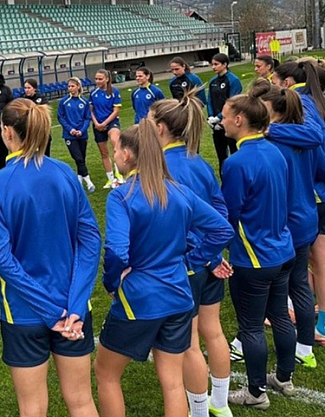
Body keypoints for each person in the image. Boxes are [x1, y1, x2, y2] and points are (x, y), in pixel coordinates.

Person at [94, 120, 232, 417]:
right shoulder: (178, 190)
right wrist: (191, 260)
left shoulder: (122, 195)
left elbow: (117, 251)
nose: (115, 155)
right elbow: (222, 229)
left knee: (106, 373)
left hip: (140, 299)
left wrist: (112, 282)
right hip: (179, 295)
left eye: (117, 149)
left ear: (127, 155)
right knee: (171, 382)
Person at [0, 98, 101, 417]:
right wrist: (74, 307)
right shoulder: (64, 173)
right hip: (72, 310)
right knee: (81, 401)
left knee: (33, 408)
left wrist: (54, 313)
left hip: (25, 312)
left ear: (7, 132)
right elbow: (90, 241)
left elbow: (4, 260)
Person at [148, 95, 233, 417]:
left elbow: (176, 224)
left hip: (188, 265)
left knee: (189, 343)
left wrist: (201, 256)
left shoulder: (162, 167)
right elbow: (219, 212)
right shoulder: (199, 161)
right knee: (213, 331)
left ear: (160, 128)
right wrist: (213, 253)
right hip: (207, 259)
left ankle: (199, 411)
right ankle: (220, 404)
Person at [218, 95, 296, 410]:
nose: (221, 120)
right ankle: (284, 377)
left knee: (250, 325)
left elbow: (228, 214)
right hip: (282, 250)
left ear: (239, 120)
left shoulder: (236, 162)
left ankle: (255, 392)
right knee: (278, 314)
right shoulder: (276, 151)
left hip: (254, 257)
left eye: (225, 115)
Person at [250, 82, 325, 369]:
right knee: (298, 283)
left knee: (274, 287)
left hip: (281, 222)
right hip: (306, 218)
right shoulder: (305, 140)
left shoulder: (270, 143)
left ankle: (252, 341)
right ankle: (305, 347)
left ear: (272, 111)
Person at [270, 60, 325, 349]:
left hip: (320, 192)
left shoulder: (303, 103)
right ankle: (321, 317)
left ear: (286, 83)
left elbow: (312, 138)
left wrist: (266, 131)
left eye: (274, 80)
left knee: (320, 258)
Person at [206, 53, 242, 175]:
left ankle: (237, 175)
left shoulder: (233, 80)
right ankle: (224, 177)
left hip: (229, 122)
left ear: (225, 64)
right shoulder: (212, 81)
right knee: (221, 154)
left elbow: (233, 102)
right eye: (212, 64)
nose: (213, 67)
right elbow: (209, 100)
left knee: (234, 151)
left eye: (216, 64)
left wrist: (219, 117)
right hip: (216, 124)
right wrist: (211, 117)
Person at [57, 77, 95, 193]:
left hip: (82, 135)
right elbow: (61, 117)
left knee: (81, 159)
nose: (70, 88)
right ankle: (89, 182)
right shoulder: (64, 102)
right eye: (69, 86)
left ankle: (78, 182)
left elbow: (87, 118)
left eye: (72, 86)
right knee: (78, 158)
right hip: (69, 136)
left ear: (78, 86)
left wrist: (81, 130)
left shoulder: (84, 102)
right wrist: (71, 130)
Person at [90, 69, 123, 189]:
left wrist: (104, 123)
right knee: (104, 153)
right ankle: (110, 179)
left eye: (100, 79)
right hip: (98, 124)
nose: (97, 81)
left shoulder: (114, 92)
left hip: (111, 122)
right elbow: (91, 110)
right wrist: (96, 123)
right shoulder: (93, 93)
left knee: (116, 144)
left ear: (107, 79)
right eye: (96, 79)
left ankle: (119, 175)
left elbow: (116, 111)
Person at [22, 78, 52, 156]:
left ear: (34, 88)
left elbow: (45, 112)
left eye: (29, 88)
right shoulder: (22, 99)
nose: (27, 90)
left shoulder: (42, 98)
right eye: (25, 88)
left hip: (42, 131)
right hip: (28, 133)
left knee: (44, 156)